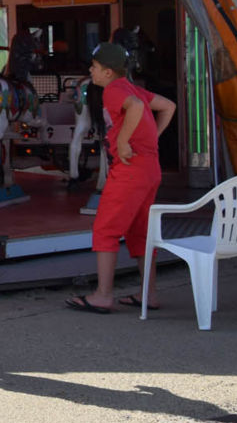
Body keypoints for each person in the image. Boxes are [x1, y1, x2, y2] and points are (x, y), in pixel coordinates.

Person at [66, 41, 176, 314]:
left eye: (94, 67)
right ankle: (148, 293)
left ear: (107, 71)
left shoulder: (114, 90)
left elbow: (137, 107)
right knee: (141, 232)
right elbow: (168, 106)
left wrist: (125, 141)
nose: (91, 71)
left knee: (106, 229)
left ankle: (103, 295)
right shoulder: (131, 86)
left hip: (129, 170)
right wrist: (151, 138)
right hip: (150, 169)